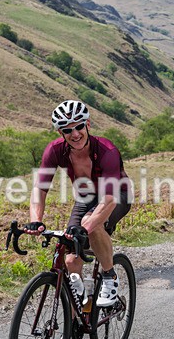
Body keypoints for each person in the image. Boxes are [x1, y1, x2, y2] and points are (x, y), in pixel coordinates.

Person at [26, 99, 132, 316]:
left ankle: (110, 276)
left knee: (91, 227)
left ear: (88, 125)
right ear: (60, 132)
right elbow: (40, 188)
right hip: (85, 197)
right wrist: (36, 220)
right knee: (71, 259)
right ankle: (71, 330)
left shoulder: (107, 150)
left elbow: (110, 198)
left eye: (78, 127)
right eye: (67, 130)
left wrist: (86, 228)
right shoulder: (55, 151)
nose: (74, 134)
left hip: (116, 194)